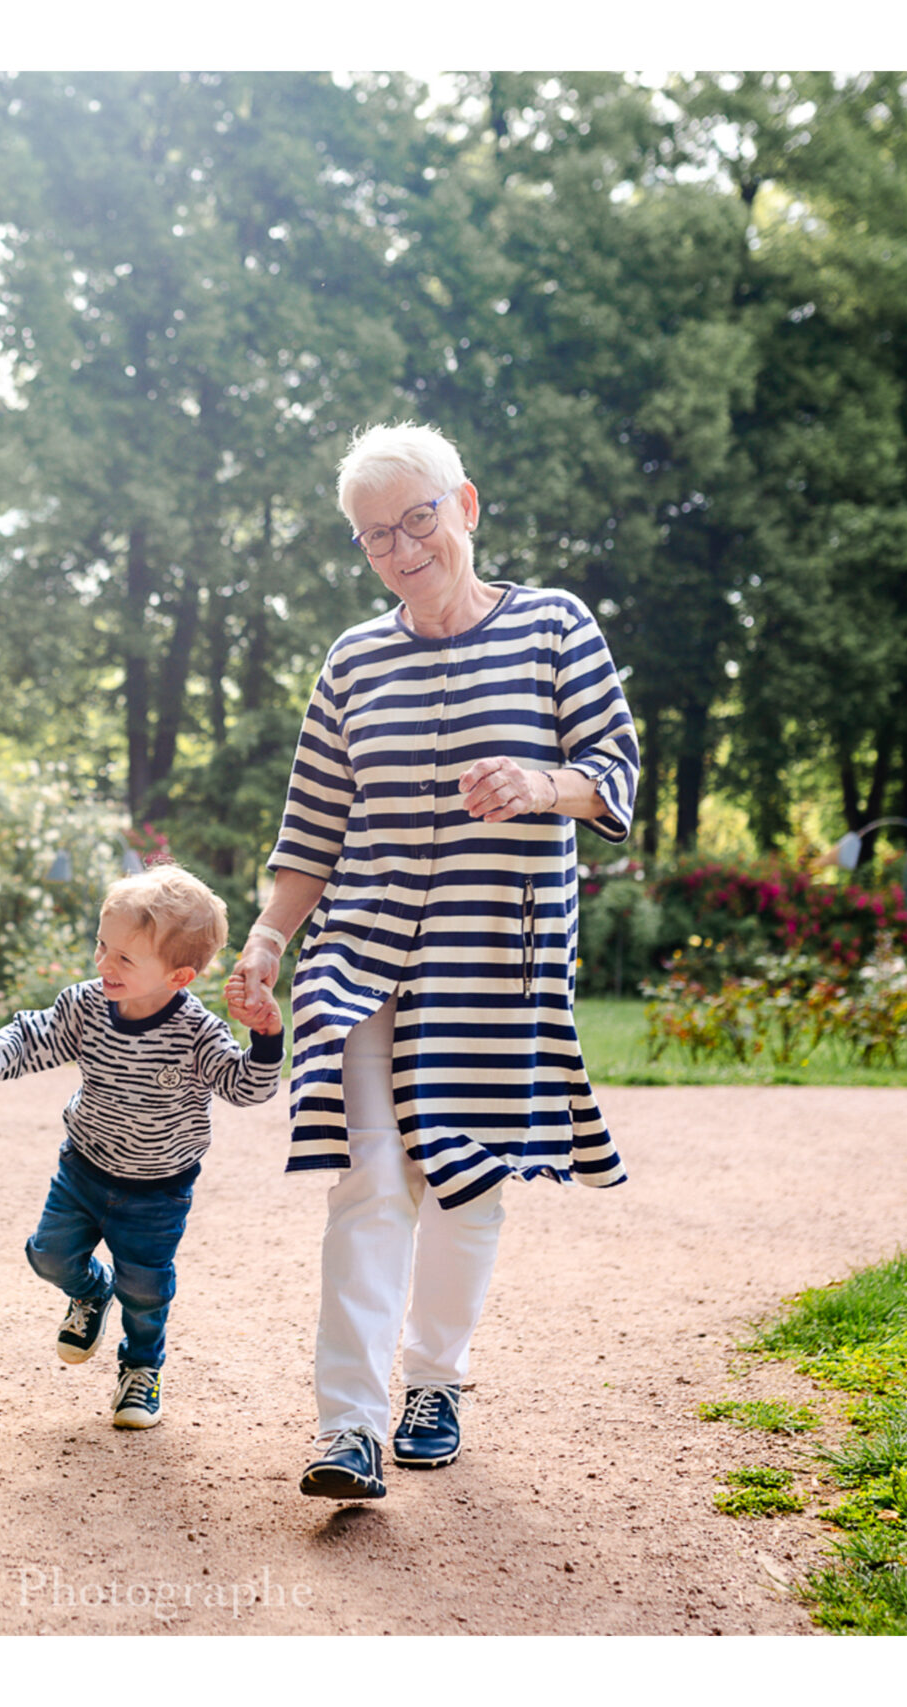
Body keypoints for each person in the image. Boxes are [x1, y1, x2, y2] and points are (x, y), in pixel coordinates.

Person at [224, 420, 640, 1501]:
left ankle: (434, 1383)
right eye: (374, 536)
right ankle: (348, 1427)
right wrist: (270, 940)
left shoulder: (555, 626)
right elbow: (313, 823)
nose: (402, 548)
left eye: (417, 518)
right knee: (368, 1184)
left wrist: (543, 785)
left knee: (462, 1182)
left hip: (492, 958)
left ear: (465, 505)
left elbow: (614, 772)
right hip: (360, 949)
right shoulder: (353, 660)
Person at [0, 864, 283, 1430]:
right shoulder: (85, 1006)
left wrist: (267, 1037)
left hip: (159, 1190)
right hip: (83, 1169)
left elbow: (246, 1089)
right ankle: (89, 1292)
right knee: (48, 1255)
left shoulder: (198, 1033)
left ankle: (140, 1369)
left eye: (125, 959)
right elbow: (30, 1038)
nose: (104, 964)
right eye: (101, 946)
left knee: (146, 1288)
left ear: (179, 976)